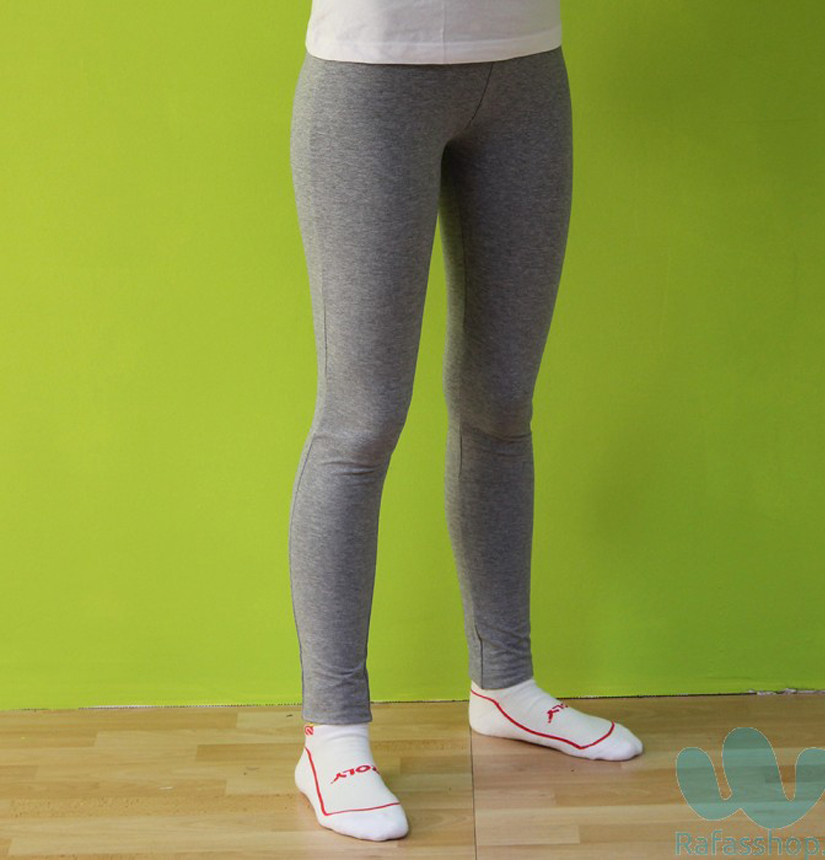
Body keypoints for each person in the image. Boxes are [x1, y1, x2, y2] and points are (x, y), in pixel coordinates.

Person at [287, 0, 644, 842]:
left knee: (502, 404)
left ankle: (505, 685)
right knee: (360, 422)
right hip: (374, 72)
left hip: (525, 69)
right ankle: (330, 734)